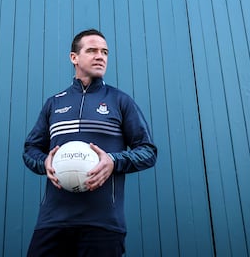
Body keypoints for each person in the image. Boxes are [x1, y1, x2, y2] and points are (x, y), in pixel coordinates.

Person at [22, 29, 157, 257]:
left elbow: (148, 151)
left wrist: (113, 161)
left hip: (103, 224)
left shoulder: (120, 101)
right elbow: (30, 149)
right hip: (53, 221)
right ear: (74, 57)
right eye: (92, 50)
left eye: (105, 52)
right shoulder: (54, 103)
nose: (100, 56)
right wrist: (45, 162)